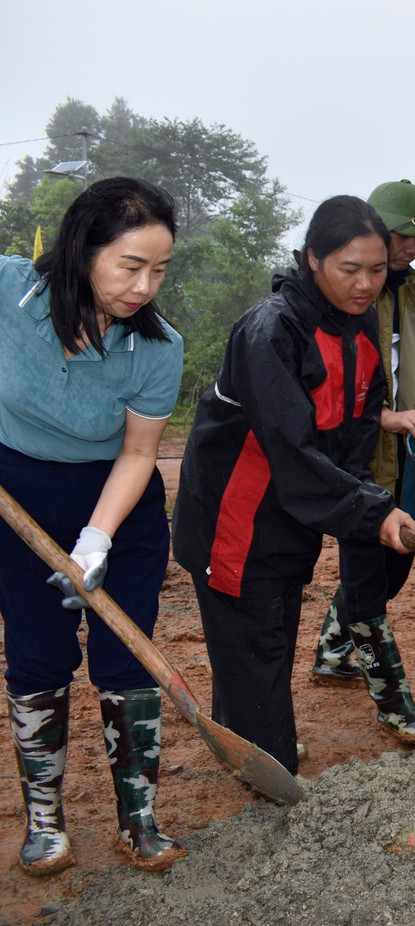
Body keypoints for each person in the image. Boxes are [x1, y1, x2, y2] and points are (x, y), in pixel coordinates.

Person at [172, 196, 415, 776]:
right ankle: (264, 763)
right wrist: (369, 510)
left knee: (271, 634)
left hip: (290, 519)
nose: (365, 284)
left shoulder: (357, 332)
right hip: (237, 519)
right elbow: (290, 447)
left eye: (377, 270)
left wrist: (372, 499)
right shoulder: (271, 330)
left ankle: (245, 741)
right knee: (255, 645)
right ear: (312, 259)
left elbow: (355, 437)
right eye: (349, 269)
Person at [0, 178, 186, 874]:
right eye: (130, 265)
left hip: (117, 501)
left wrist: (97, 539)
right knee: (38, 653)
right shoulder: (7, 292)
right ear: (83, 250)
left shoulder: (157, 346)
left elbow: (139, 453)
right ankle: (45, 821)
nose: (144, 286)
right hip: (16, 492)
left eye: (159, 270)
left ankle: (138, 819)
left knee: (124, 656)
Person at [307, 179, 415, 744]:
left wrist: (404, 411)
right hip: (354, 450)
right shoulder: (347, 294)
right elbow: (335, 381)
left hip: (399, 447)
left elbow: (398, 358)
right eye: (402, 236)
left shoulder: (408, 291)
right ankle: (395, 705)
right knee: (367, 573)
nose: (410, 249)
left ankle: (333, 652)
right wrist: (382, 416)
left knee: (395, 561)